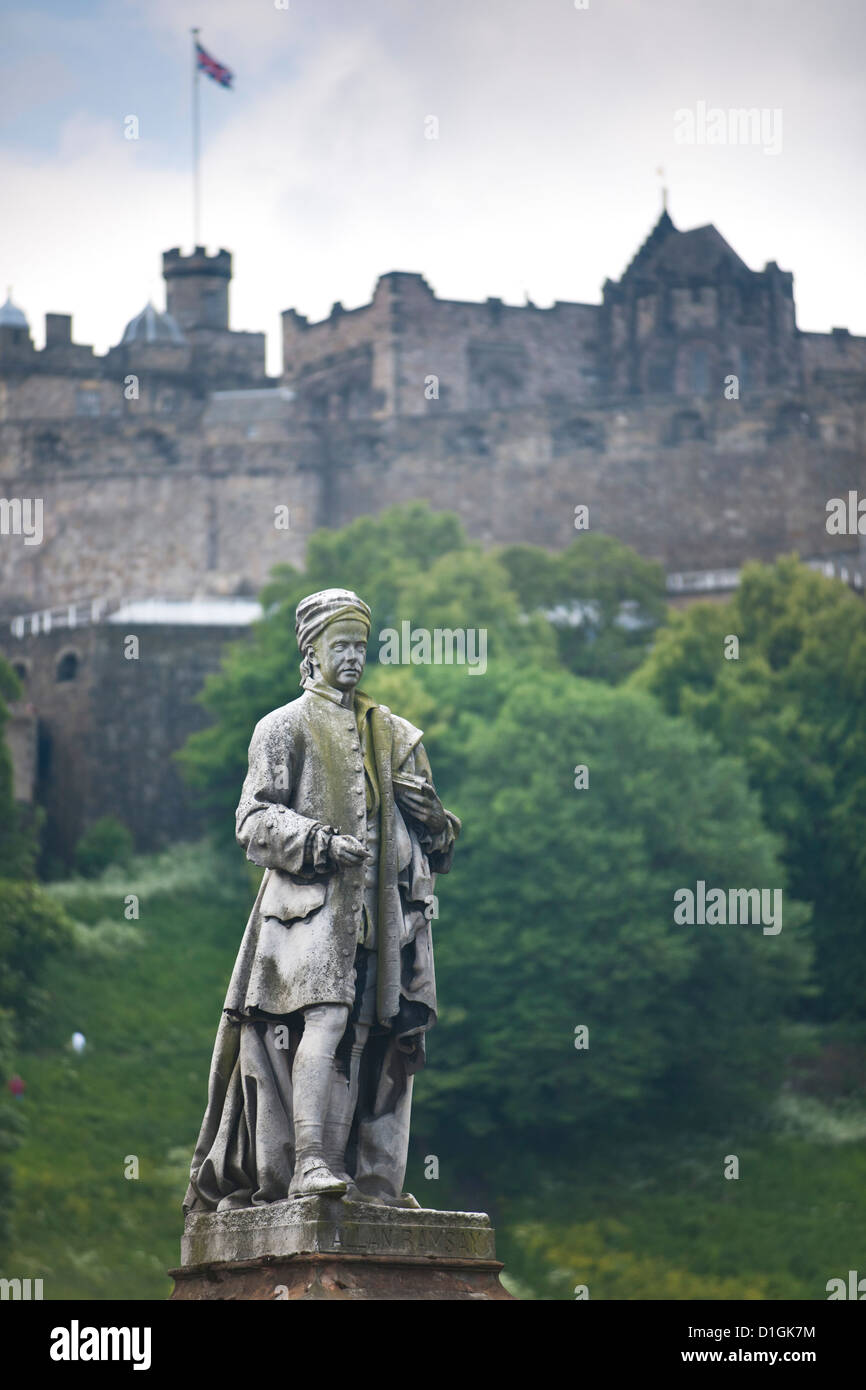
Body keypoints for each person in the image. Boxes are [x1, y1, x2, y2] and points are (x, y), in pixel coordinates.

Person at [184, 588, 459, 1211]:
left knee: (375, 1036)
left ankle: (369, 1182)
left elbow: (437, 848)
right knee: (326, 1022)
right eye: (342, 645)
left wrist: (435, 821)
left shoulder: (393, 735)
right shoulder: (282, 727)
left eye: (362, 646)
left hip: (383, 920)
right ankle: (308, 1162)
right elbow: (252, 821)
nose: (354, 657)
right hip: (306, 916)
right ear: (311, 652)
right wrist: (319, 842)